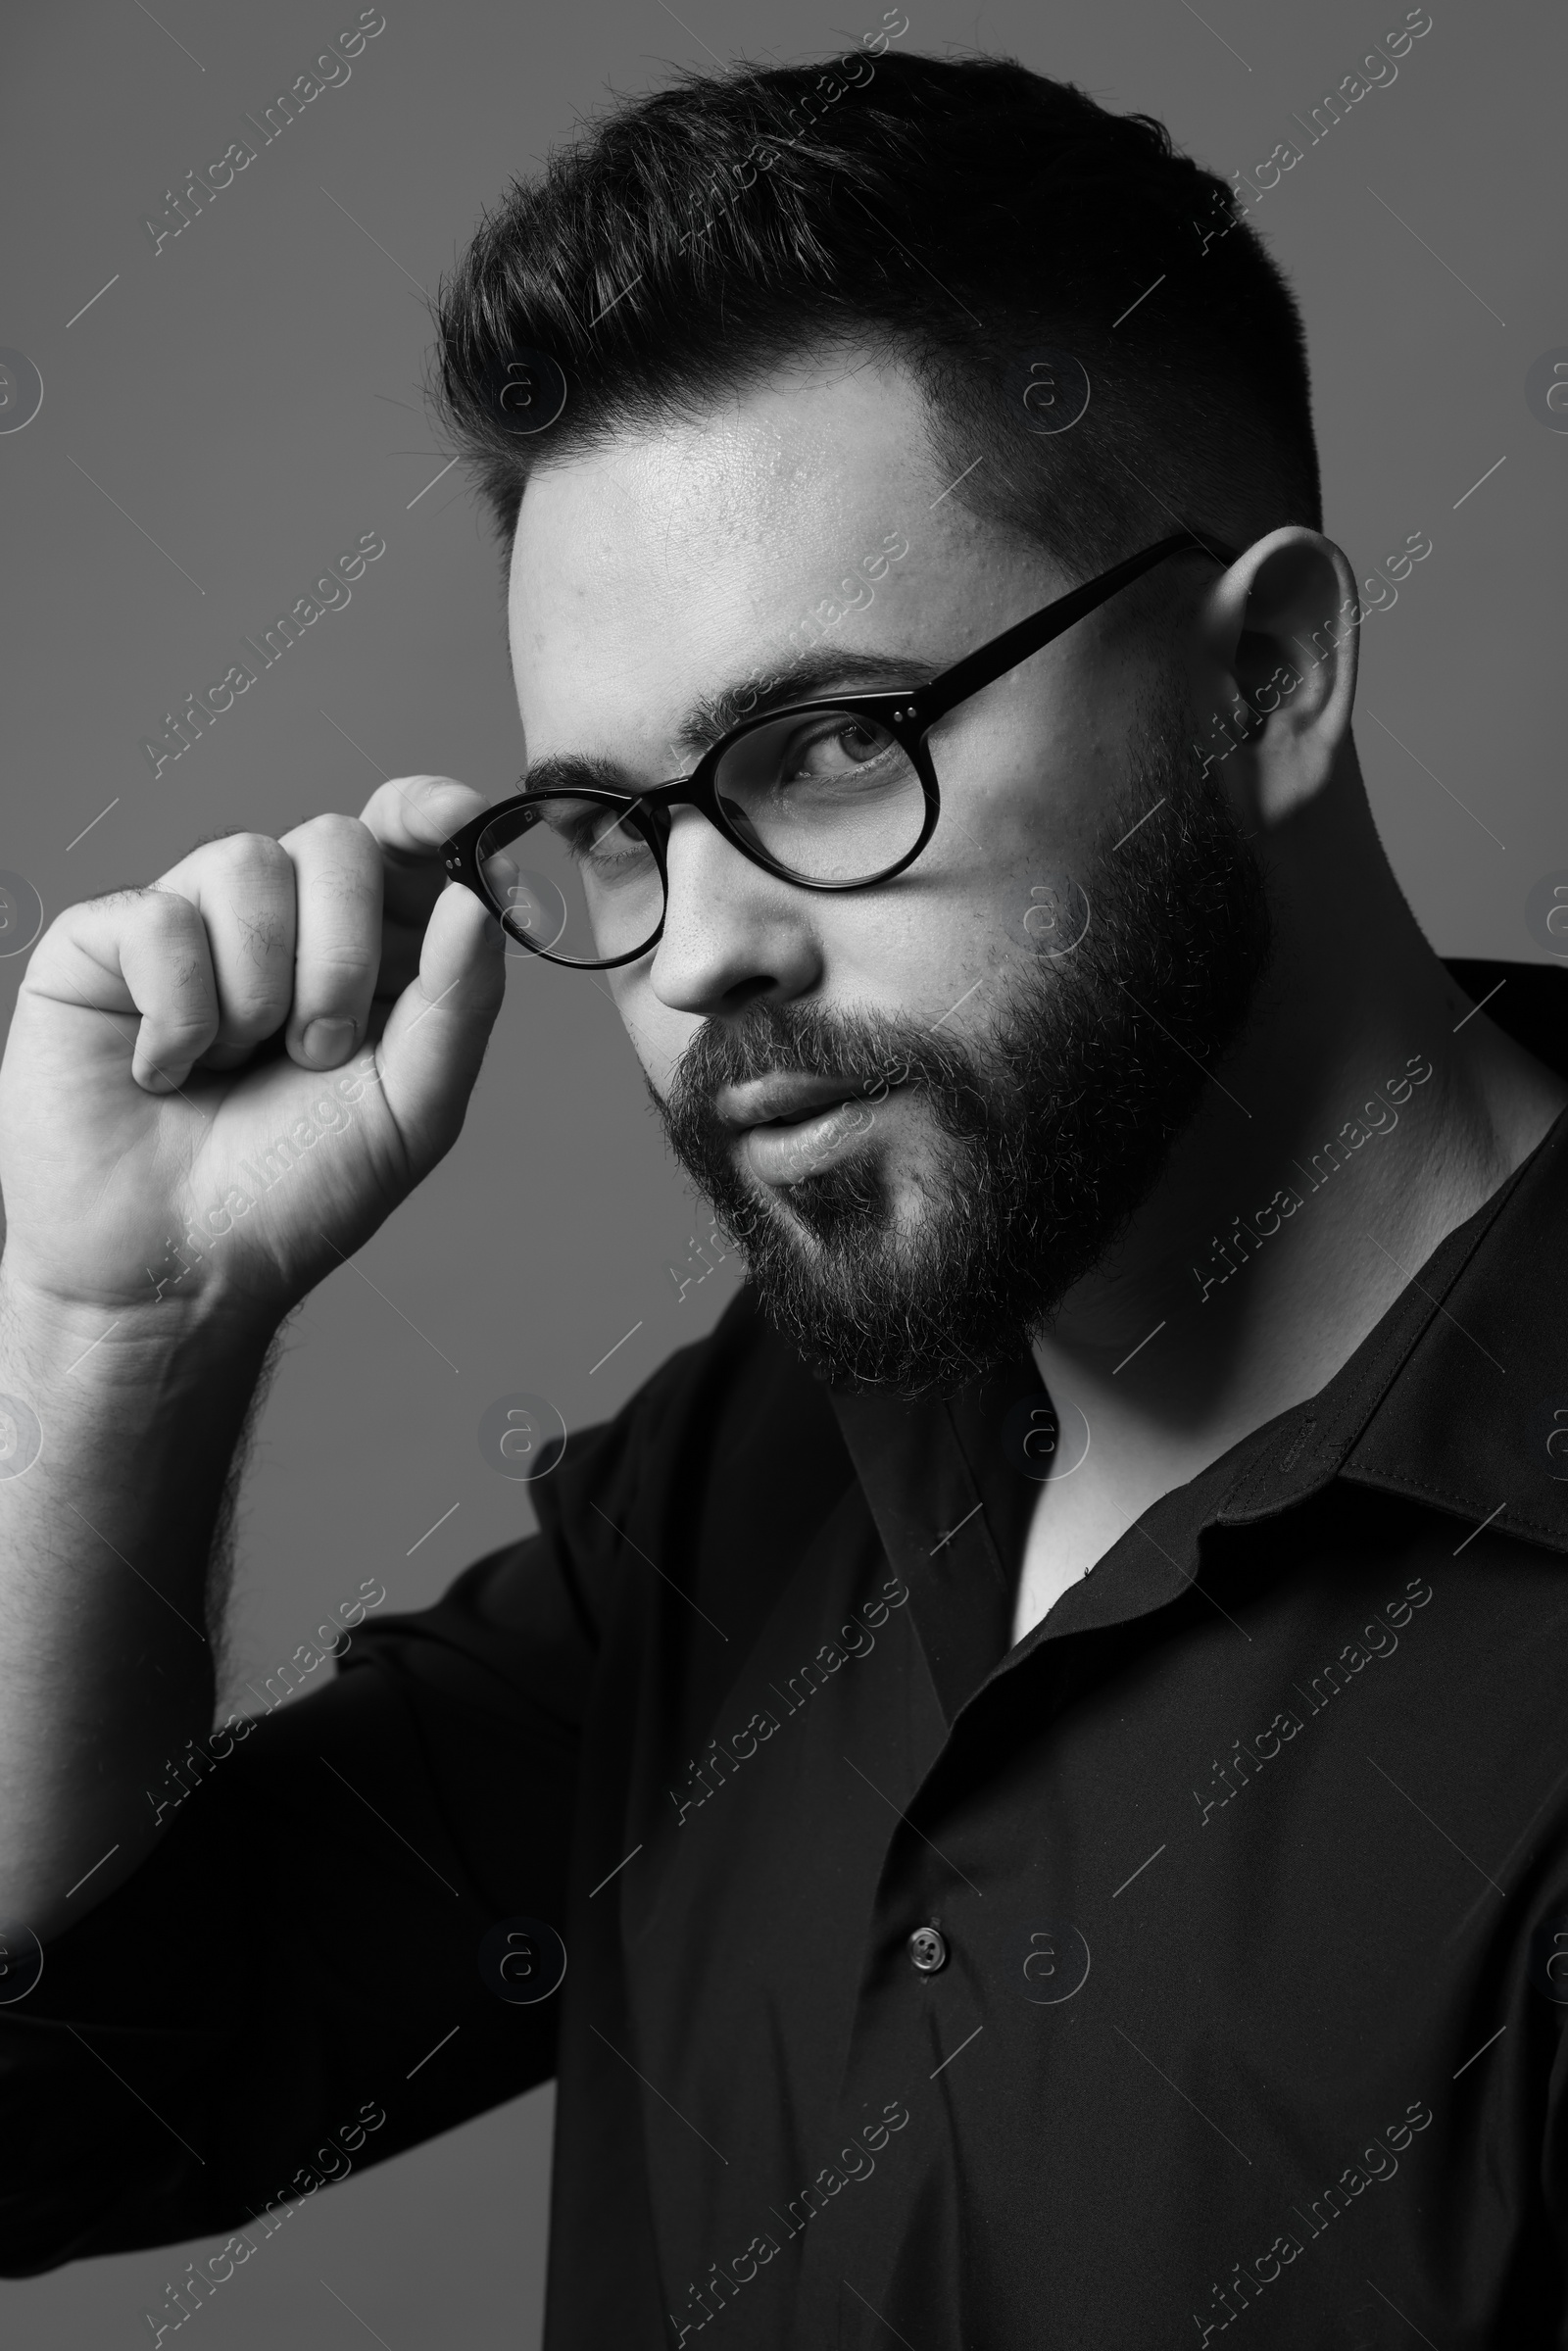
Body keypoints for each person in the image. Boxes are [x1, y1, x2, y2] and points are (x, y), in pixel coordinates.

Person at [2, 44, 1565, 2349]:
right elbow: (65, 2103)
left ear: (1270, 671)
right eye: (620, 824)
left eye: (830, 747)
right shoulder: (782, 1461)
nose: (699, 945)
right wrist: (124, 1341)